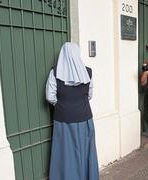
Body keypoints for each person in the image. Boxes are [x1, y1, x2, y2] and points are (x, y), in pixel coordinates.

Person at [46, 42, 99, 180]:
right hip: (85, 117)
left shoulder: (55, 72)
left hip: (63, 119)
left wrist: (63, 104)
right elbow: (90, 95)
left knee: (66, 153)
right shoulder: (87, 72)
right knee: (85, 150)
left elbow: (50, 96)